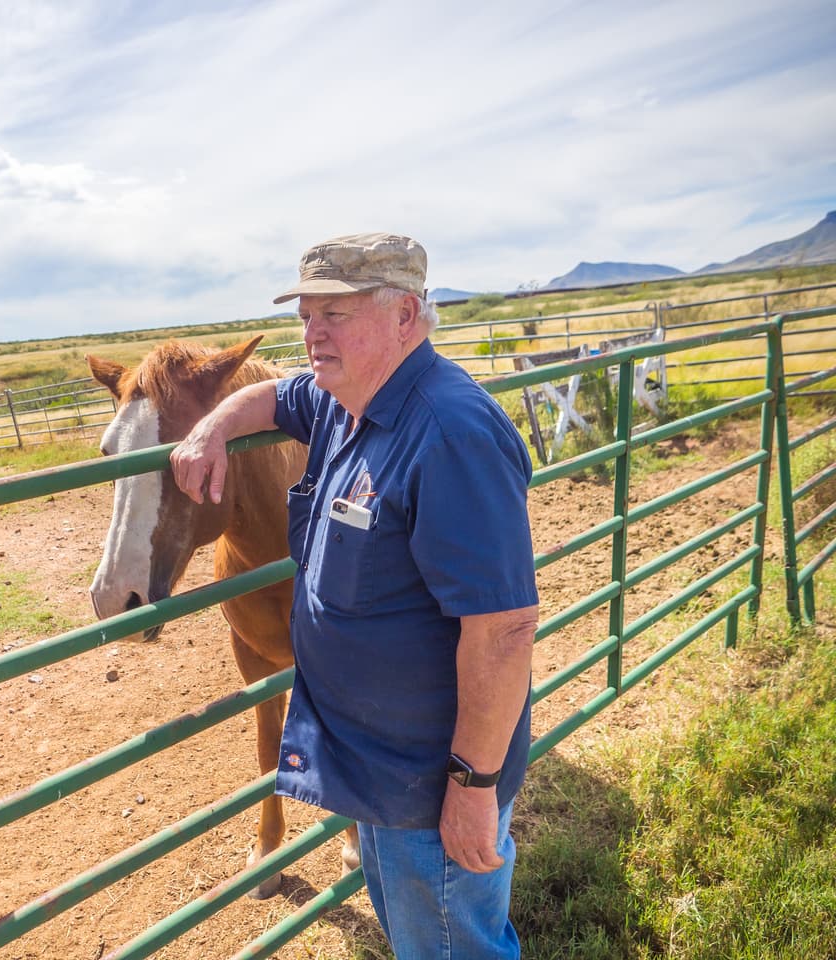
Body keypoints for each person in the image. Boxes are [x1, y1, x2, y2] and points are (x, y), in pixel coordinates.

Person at [169, 233, 538, 958]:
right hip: (375, 766)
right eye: (306, 315)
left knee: (449, 941)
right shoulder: (345, 398)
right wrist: (212, 426)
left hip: (428, 780)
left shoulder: (449, 433)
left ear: (404, 316)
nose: (313, 333)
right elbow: (273, 396)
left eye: (335, 314)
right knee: (417, 931)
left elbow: (503, 631)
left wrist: (472, 789)